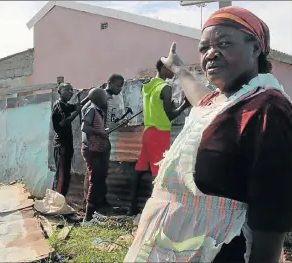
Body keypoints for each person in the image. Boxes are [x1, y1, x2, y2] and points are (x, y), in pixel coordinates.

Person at [125, 6, 292, 263]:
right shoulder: (222, 101)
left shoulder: (268, 109)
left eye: (224, 44)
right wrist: (179, 70)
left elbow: (273, 210)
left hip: (221, 250)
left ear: (255, 48)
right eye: (204, 48)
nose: (211, 54)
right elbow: (201, 100)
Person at [127, 59, 190, 216]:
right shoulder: (165, 88)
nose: (173, 72)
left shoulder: (147, 87)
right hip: (160, 133)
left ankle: (132, 207)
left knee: (140, 169)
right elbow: (169, 116)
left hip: (148, 131)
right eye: (170, 69)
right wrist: (184, 105)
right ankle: (156, 211)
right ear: (163, 68)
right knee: (159, 172)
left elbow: (157, 109)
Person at [82, 74, 125, 211]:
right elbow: (86, 122)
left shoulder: (109, 102)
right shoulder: (96, 101)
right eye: (118, 85)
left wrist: (119, 123)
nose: (120, 89)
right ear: (110, 83)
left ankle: (100, 203)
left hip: (103, 143)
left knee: (101, 175)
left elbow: (109, 122)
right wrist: (98, 131)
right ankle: (89, 207)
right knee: (94, 177)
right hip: (93, 144)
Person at [81, 87, 110, 223]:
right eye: (104, 97)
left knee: (98, 180)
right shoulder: (92, 109)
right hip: (91, 150)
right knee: (94, 180)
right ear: (98, 99)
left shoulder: (98, 110)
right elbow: (84, 127)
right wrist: (100, 133)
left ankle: (95, 212)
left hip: (97, 149)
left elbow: (96, 128)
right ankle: (88, 217)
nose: (106, 99)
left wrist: (104, 131)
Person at [52, 83, 82, 197]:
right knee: (61, 177)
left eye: (71, 90)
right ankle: (56, 204)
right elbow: (62, 123)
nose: (70, 92)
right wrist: (76, 113)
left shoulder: (65, 105)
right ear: (59, 91)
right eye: (67, 89)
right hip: (62, 146)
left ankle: (60, 202)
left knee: (64, 175)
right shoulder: (58, 105)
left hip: (67, 145)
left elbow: (75, 106)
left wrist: (81, 105)